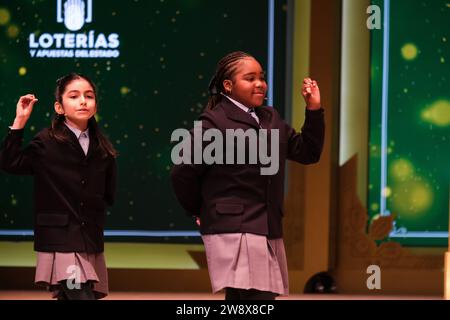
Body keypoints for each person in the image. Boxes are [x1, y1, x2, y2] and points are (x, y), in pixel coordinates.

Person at [170, 51, 325, 300]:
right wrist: (199, 209)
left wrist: (314, 109)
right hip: (234, 227)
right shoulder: (214, 122)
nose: (260, 84)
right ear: (228, 86)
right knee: (255, 298)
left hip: (267, 225)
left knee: (253, 299)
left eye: (261, 78)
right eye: (250, 78)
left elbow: (308, 152)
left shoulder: (270, 118)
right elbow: (182, 173)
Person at [0, 73, 117, 300]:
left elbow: (108, 191)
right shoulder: (46, 141)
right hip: (60, 239)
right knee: (79, 294)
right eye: (74, 96)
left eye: (89, 96)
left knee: (71, 295)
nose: (83, 101)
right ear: (59, 107)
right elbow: (9, 162)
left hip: (89, 236)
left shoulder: (102, 147)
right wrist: (19, 121)